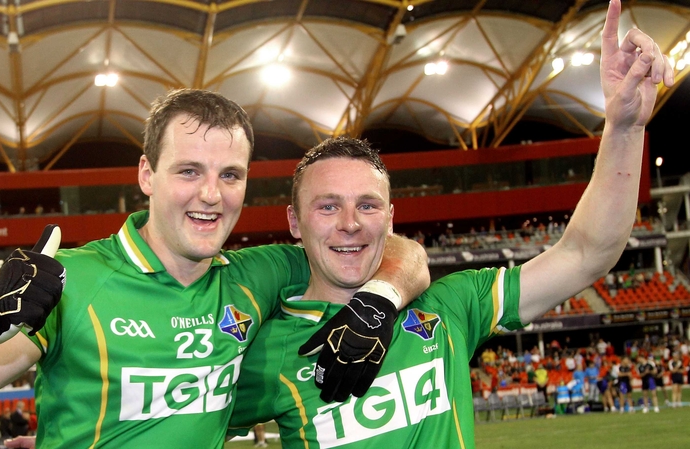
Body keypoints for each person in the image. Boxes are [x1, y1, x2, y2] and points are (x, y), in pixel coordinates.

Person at [228, 4, 673, 444]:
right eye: (327, 207)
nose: (350, 224)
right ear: (294, 223)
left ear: (390, 218)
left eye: (367, 205)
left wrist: (625, 128)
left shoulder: (451, 305)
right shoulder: (270, 349)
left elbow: (586, 255)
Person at [0, 89, 428, 448]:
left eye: (230, 175)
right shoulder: (73, 280)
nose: (210, 195)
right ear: (147, 174)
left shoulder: (259, 274)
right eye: (189, 171)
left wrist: (380, 298)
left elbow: (392, 248)